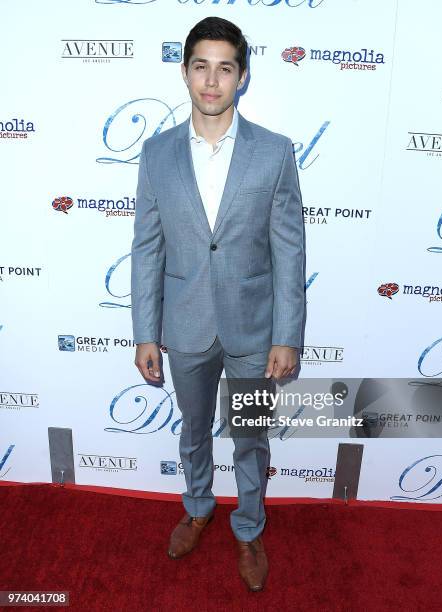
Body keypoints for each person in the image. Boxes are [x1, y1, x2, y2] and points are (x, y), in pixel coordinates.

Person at [131, 16, 305, 592]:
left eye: (224, 67)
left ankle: (249, 526)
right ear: (185, 73)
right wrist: (145, 332)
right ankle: (199, 504)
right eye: (200, 66)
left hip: (254, 329)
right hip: (183, 326)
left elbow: (289, 251)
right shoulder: (156, 154)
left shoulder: (275, 154)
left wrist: (287, 335)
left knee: (251, 435)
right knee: (193, 429)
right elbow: (147, 248)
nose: (212, 80)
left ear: (242, 76)